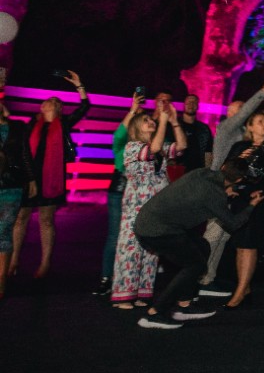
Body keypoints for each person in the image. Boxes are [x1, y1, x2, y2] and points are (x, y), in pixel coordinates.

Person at [132, 157, 262, 329]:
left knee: (202, 246)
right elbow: (233, 224)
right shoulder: (215, 195)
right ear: (238, 180)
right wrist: (252, 205)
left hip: (148, 221)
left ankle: (184, 305)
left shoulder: (203, 172)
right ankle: (155, 313)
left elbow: (202, 195)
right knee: (195, 265)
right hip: (156, 232)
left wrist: (225, 192)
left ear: (223, 166)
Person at [196, 82, 264, 295]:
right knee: (213, 235)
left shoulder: (242, 136)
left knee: (222, 235)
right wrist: (261, 93)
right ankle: (194, 279)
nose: (244, 113)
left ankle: (207, 278)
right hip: (219, 187)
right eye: (240, 110)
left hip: (230, 187)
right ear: (232, 113)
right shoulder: (227, 127)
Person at [9, 72, 90, 279]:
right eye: (47, 100)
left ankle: (45, 263)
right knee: (20, 218)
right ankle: (13, 260)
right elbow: (21, 147)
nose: (49, 102)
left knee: (46, 220)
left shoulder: (63, 125)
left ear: (59, 109)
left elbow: (84, 108)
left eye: (54, 101)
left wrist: (79, 86)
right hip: (29, 177)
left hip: (51, 179)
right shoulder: (31, 125)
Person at [111, 98, 184, 308]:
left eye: (150, 120)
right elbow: (154, 148)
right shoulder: (133, 147)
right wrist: (161, 120)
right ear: (136, 128)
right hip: (136, 208)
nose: (150, 122)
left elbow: (182, 146)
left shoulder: (158, 148)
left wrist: (174, 122)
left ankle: (142, 293)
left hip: (155, 209)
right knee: (130, 249)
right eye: (145, 121)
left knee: (150, 252)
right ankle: (123, 295)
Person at [95, 92, 142, 297]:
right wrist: (132, 110)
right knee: (115, 236)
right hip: (120, 190)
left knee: (137, 237)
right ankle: (106, 279)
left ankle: (131, 278)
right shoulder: (121, 144)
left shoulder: (149, 146)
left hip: (140, 193)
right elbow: (119, 134)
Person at [0, 93, 39, 298]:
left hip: (11, 185)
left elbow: (25, 153)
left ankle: (1, 283)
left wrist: (31, 179)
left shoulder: (17, 126)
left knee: (4, 231)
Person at [176, 94, 214, 173]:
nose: (191, 104)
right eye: (188, 102)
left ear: (198, 106)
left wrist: (208, 171)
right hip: (177, 171)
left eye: (194, 102)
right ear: (184, 105)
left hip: (197, 173)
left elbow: (208, 152)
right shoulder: (175, 125)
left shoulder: (204, 129)